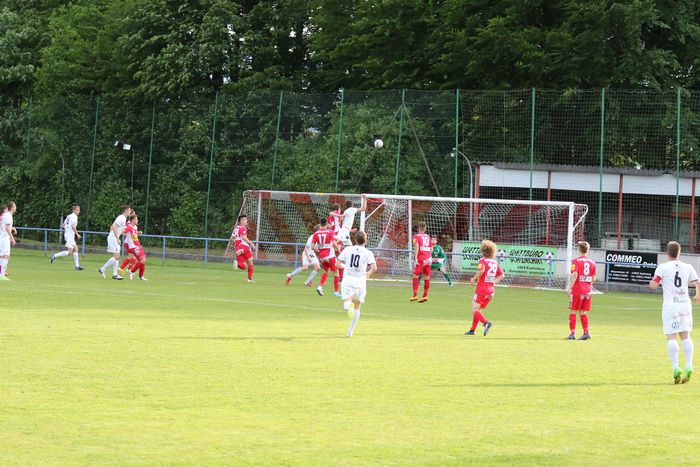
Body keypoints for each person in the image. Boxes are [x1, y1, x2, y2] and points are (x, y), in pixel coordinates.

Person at [650, 241, 698, 384]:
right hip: (685, 304)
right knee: (685, 336)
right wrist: (698, 295)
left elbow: (654, 284)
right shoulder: (687, 266)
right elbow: (697, 282)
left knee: (671, 337)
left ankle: (676, 368)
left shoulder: (663, 267)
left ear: (667, 253)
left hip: (671, 306)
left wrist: (652, 283)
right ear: (679, 253)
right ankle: (689, 366)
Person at [337, 231, 377, 337]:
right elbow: (374, 268)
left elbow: (337, 264)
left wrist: (346, 267)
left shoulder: (347, 249)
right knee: (357, 306)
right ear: (366, 241)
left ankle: (348, 305)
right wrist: (368, 274)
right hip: (360, 281)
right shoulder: (368, 252)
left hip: (348, 279)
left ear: (355, 240)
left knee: (346, 302)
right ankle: (350, 330)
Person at [466, 239, 504, 336]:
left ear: (483, 250)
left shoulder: (482, 261)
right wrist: (492, 283)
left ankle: (486, 323)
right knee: (478, 311)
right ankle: (472, 330)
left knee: (474, 310)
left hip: (482, 290)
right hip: (491, 291)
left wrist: (473, 279)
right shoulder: (495, 262)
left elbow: (481, 271)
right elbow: (501, 275)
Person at [565, 241, 597, 340]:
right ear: (588, 250)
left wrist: (569, 288)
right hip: (588, 291)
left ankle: (572, 334)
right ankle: (586, 332)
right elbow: (594, 278)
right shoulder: (592, 263)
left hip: (577, 290)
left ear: (579, 249)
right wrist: (587, 285)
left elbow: (575, 275)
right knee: (583, 312)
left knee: (573, 311)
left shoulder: (575, 261)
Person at [99, 205, 131, 280]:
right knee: (116, 257)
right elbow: (113, 227)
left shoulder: (123, 218)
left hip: (113, 238)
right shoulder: (121, 218)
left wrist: (128, 235)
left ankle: (115, 274)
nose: (130, 211)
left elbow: (113, 227)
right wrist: (116, 238)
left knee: (117, 257)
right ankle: (102, 269)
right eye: (129, 210)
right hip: (114, 239)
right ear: (126, 211)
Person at [312, 218, 340, 297]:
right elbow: (334, 244)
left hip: (322, 256)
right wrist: (339, 251)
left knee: (327, 271)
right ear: (327, 224)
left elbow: (312, 247)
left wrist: (318, 251)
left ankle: (320, 287)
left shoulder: (316, 233)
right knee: (336, 271)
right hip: (330, 256)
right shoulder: (330, 232)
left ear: (320, 224)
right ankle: (336, 292)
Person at [51, 205, 83, 270]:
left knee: (76, 248)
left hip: (68, 234)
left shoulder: (69, 216)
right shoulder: (74, 216)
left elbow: (63, 225)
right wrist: (77, 234)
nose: (79, 211)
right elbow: (73, 226)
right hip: (70, 235)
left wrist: (67, 230)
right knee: (69, 252)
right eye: (78, 210)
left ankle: (77, 266)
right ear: (74, 210)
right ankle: (55, 255)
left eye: (79, 210)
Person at [410, 222, 433, 302]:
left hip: (421, 258)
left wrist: (416, 258)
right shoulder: (429, 237)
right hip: (429, 259)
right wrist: (428, 256)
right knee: (426, 277)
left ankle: (415, 295)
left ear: (418, 228)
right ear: (425, 228)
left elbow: (416, 246)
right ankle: (425, 296)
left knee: (415, 276)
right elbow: (431, 249)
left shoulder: (416, 236)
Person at [231, 214, 256, 283]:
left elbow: (231, 239)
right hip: (244, 246)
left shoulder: (236, 229)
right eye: (245, 219)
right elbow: (244, 237)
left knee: (244, 266)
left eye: (246, 219)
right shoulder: (243, 228)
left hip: (237, 248)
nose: (246, 221)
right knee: (250, 262)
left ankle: (237, 264)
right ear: (241, 221)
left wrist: (236, 242)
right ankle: (249, 279)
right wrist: (251, 243)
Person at [124, 214, 148, 281]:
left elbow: (133, 234)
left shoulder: (133, 227)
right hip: (134, 247)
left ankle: (141, 276)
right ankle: (132, 272)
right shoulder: (129, 226)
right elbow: (124, 231)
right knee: (143, 260)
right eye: (136, 219)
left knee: (143, 260)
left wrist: (137, 233)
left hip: (137, 245)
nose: (137, 220)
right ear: (133, 220)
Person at [0, 201, 17, 280]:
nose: (16, 208)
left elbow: (5, 226)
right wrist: (12, 237)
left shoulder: (5, 215)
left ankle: (1, 273)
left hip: (2, 237)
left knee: (2, 256)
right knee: (6, 256)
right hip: (4, 238)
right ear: (12, 207)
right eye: (15, 206)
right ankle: (2, 275)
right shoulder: (9, 215)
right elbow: (7, 228)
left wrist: (12, 228)